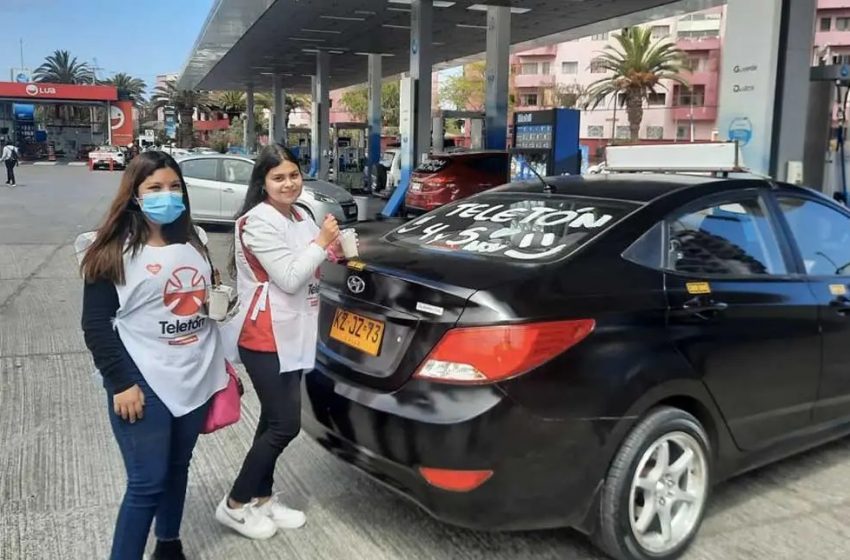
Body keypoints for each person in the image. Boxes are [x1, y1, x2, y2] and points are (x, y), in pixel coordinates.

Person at [80, 151, 228, 560]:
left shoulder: (194, 241)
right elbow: (95, 326)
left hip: (193, 374)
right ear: (134, 196)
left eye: (174, 187)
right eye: (155, 188)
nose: (167, 195)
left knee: (177, 467)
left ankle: (169, 544)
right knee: (146, 482)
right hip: (142, 379)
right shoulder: (113, 252)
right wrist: (121, 383)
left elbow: (198, 303)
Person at [215, 143, 340, 540]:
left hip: (299, 329)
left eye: (294, 175)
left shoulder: (302, 214)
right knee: (286, 424)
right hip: (265, 334)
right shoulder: (256, 222)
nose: (289, 183)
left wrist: (330, 250)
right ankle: (234, 504)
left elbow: (308, 259)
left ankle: (263, 498)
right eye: (278, 177)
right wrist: (321, 243)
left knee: (272, 419)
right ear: (263, 182)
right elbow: (287, 276)